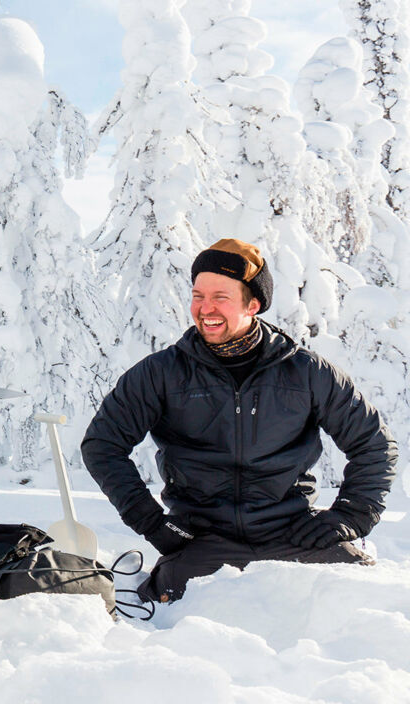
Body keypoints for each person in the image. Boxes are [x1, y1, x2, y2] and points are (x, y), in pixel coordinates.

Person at [82, 238, 398, 603]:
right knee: (173, 613)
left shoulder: (308, 373)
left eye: (220, 297)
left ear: (254, 304)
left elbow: (374, 446)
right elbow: (102, 445)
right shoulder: (160, 374)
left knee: (357, 600)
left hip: (293, 535)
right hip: (202, 540)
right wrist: (152, 522)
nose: (205, 308)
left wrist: (350, 517)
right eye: (198, 296)